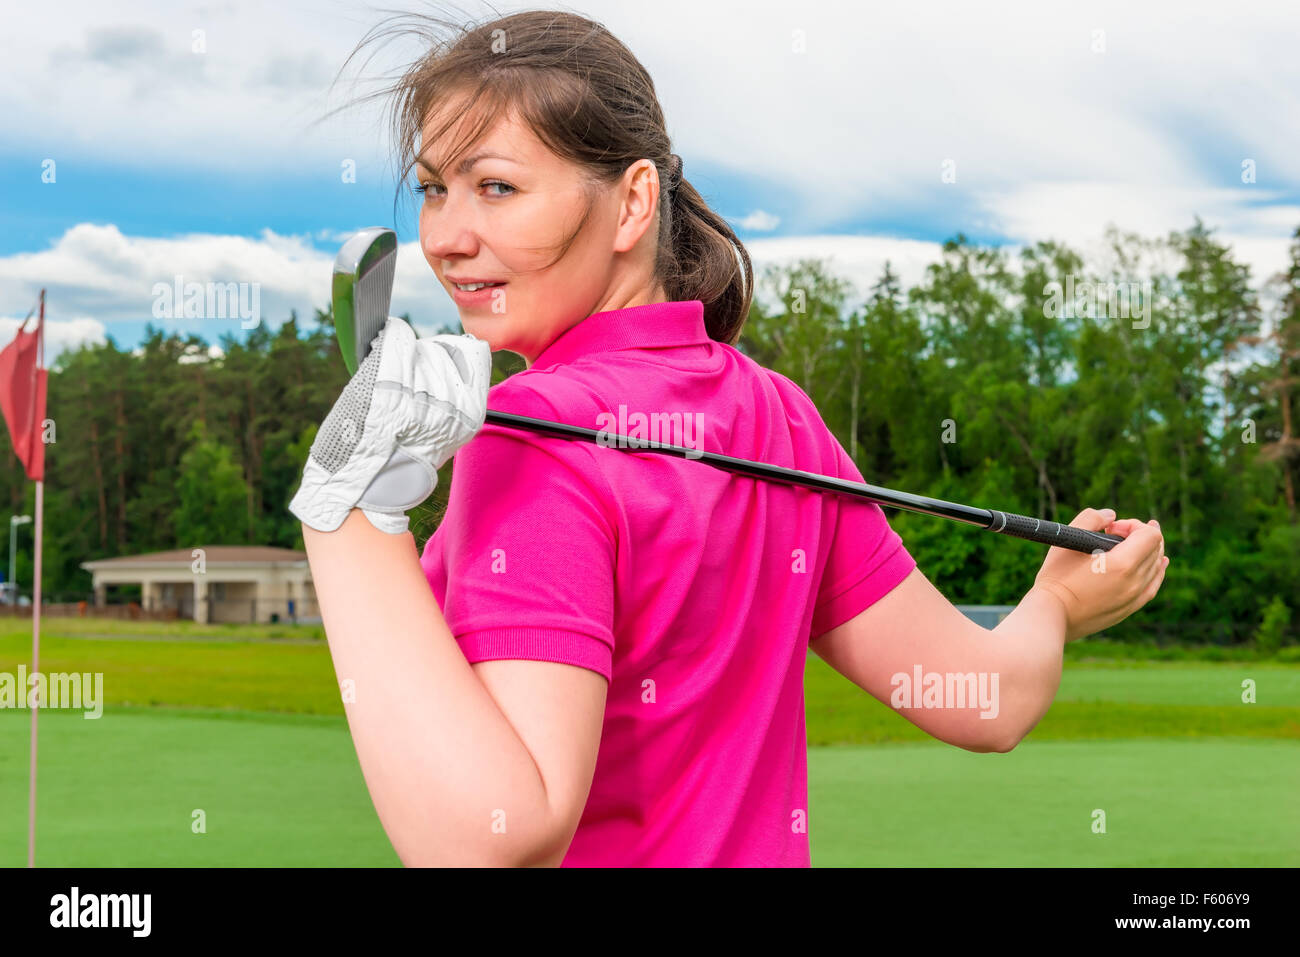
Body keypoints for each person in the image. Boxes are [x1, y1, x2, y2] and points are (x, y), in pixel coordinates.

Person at [291, 7, 1168, 867]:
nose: (444, 237)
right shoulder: (780, 415)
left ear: (633, 201)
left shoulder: (535, 439)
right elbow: (986, 701)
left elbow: (493, 835)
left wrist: (349, 519)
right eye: (433, 188)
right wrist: (1053, 603)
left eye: (496, 187)